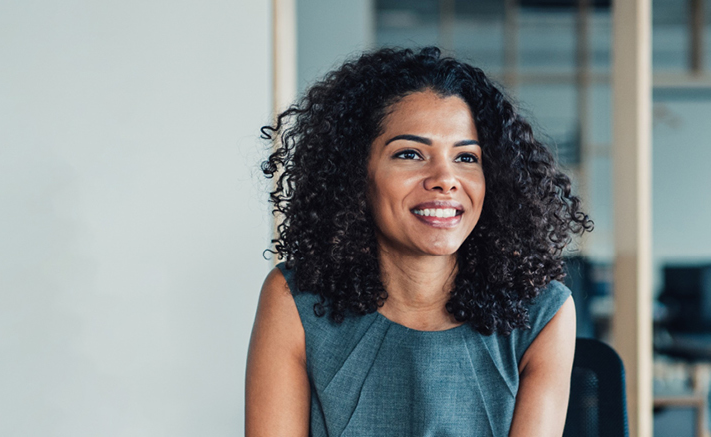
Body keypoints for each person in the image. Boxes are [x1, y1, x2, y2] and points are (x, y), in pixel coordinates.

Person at [245, 47, 592, 437]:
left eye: (466, 158)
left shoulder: (544, 312)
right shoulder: (294, 299)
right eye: (410, 153)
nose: (445, 178)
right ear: (355, 174)